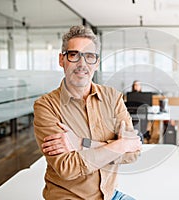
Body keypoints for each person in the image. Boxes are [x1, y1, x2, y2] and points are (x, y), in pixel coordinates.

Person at [33, 25, 142, 200]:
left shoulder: (112, 97)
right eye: (74, 55)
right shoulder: (46, 106)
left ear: (97, 63)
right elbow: (67, 168)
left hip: (109, 194)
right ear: (62, 60)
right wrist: (121, 145)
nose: (82, 64)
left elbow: (133, 152)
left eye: (89, 56)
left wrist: (82, 144)